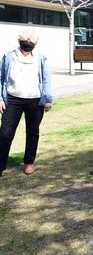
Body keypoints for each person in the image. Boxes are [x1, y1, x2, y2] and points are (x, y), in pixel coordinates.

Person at [0, 30, 53, 177]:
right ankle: (0, 164)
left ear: (35, 44)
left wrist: (48, 99)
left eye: (31, 42)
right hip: (12, 99)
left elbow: (46, 79)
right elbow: (1, 78)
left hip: (35, 101)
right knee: (5, 133)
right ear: (20, 41)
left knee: (33, 132)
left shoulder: (40, 58)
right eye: (25, 41)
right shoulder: (9, 57)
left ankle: (29, 163)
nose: (28, 44)